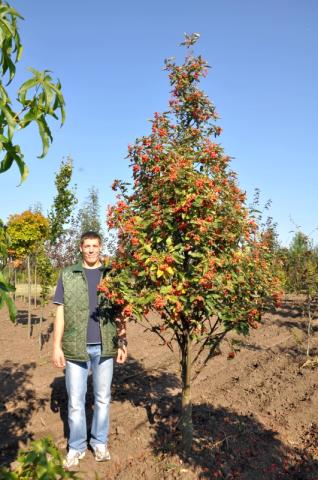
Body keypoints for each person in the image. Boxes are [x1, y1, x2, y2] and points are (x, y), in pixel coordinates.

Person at [52, 231, 128, 469]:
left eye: (95, 245)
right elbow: (60, 312)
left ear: (101, 247)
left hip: (105, 346)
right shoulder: (68, 275)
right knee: (75, 401)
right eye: (87, 246)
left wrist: (123, 343)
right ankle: (76, 447)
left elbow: (120, 314)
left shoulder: (112, 276)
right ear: (81, 248)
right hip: (75, 347)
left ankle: (99, 442)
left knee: (103, 398)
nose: (92, 250)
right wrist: (56, 346)